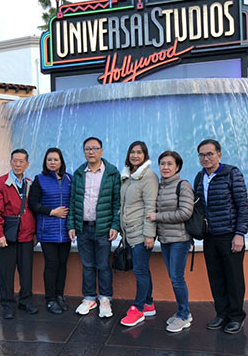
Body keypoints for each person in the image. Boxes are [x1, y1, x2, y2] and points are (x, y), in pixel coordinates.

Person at [193, 139, 248, 334]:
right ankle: (222, 314)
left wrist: (240, 234)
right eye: (202, 155)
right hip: (210, 237)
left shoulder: (231, 173)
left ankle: (236, 317)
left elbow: (243, 206)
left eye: (209, 154)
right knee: (216, 278)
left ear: (219, 155)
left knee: (233, 279)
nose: (205, 158)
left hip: (229, 235)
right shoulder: (200, 177)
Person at [67, 137, 121, 318]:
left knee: (103, 265)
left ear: (101, 151)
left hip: (103, 228)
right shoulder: (79, 173)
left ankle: (105, 298)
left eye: (95, 148)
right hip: (83, 227)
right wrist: (71, 225)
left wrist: (115, 225)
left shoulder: (112, 173)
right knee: (88, 265)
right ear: (84, 152)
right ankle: (89, 298)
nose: (91, 152)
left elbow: (117, 202)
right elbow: (73, 201)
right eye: (87, 149)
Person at [145, 151, 195, 333]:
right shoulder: (160, 186)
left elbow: (185, 213)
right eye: (162, 164)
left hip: (180, 240)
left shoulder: (183, 185)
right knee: (174, 277)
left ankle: (184, 315)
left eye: (169, 164)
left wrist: (157, 216)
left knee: (177, 278)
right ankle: (182, 311)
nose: (165, 167)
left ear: (177, 167)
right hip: (166, 239)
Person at [0, 148, 38, 319]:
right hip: (6, 236)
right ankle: (7, 304)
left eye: (21, 161)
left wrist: (35, 233)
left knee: (26, 272)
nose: (18, 164)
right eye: (15, 161)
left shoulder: (30, 183)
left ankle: (25, 300)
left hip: (26, 235)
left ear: (27, 164)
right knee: (6, 273)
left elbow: (33, 210)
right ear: (10, 162)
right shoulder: (0, 183)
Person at [118, 141, 159, 327]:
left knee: (140, 271)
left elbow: (151, 206)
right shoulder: (128, 176)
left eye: (139, 152)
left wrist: (149, 234)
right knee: (142, 269)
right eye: (132, 152)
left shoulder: (148, 177)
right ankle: (149, 304)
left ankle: (138, 308)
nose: (135, 155)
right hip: (130, 232)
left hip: (141, 233)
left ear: (145, 156)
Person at [28, 147, 72, 314]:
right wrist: (52, 212)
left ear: (61, 161)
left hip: (66, 230)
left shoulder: (69, 179)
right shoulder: (39, 179)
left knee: (62, 264)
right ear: (45, 162)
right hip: (47, 230)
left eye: (55, 159)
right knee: (52, 264)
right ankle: (50, 299)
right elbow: (33, 203)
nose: (52, 162)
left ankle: (60, 295)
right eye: (49, 159)